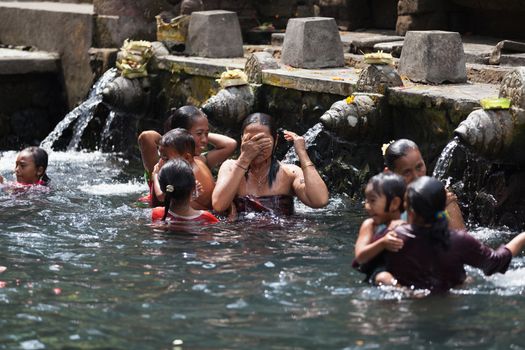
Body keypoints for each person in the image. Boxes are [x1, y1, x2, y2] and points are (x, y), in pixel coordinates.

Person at [378, 176, 525, 293]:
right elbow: (496, 262)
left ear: (409, 211)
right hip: (450, 303)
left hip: (409, 306)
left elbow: (373, 270)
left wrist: (398, 287)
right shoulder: (459, 240)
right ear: (443, 208)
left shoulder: (393, 237)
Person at [212, 113, 329, 217]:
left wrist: (302, 153)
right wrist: (244, 159)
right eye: (250, 140)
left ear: (276, 140)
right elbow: (219, 205)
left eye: (263, 141)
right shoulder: (230, 168)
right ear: (242, 139)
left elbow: (320, 201)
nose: (257, 147)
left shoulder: (289, 173)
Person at [384, 139, 465, 230]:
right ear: (389, 174)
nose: (416, 176)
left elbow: (460, 238)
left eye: (419, 167)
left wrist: (441, 209)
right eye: (407, 172)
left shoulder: (440, 197)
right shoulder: (384, 204)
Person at [138, 105, 237, 175]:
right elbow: (146, 136)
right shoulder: (161, 163)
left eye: (206, 133)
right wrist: (173, 140)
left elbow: (230, 144)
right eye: (199, 134)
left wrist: (202, 133)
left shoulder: (201, 160)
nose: (205, 140)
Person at [353, 172, 406, 285]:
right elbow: (360, 257)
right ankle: (404, 291)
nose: (366, 206)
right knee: (384, 278)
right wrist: (382, 243)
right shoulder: (370, 225)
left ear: (394, 203)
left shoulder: (409, 221)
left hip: (406, 271)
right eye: (366, 201)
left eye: (372, 200)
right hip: (379, 274)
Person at [148, 128, 214, 210]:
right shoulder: (198, 162)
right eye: (161, 157)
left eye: (166, 159)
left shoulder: (183, 174)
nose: (161, 161)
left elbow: (161, 197)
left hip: (198, 211)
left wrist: (155, 176)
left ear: (187, 157)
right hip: (206, 208)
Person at [152, 159, 219, 224]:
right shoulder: (206, 218)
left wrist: (155, 175)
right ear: (193, 188)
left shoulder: (157, 213)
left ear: (164, 189)